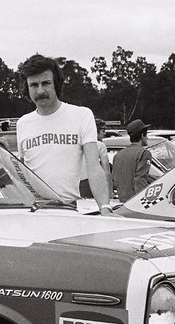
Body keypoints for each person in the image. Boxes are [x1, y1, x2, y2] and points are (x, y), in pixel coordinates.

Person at [15, 55, 116, 214]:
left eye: (46, 83)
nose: (40, 91)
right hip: (33, 212)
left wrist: (104, 207)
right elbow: (22, 174)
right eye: (33, 85)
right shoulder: (23, 123)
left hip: (67, 210)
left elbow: (94, 167)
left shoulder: (82, 116)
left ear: (56, 84)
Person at [110, 119, 156, 201]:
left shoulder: (118, 155)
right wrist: (141, 200)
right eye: (146, 135)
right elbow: (140, 180)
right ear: (142, 135)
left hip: (121, 200)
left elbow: (115, 179)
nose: (147, 138)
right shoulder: (144, 153)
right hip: (135, 200)